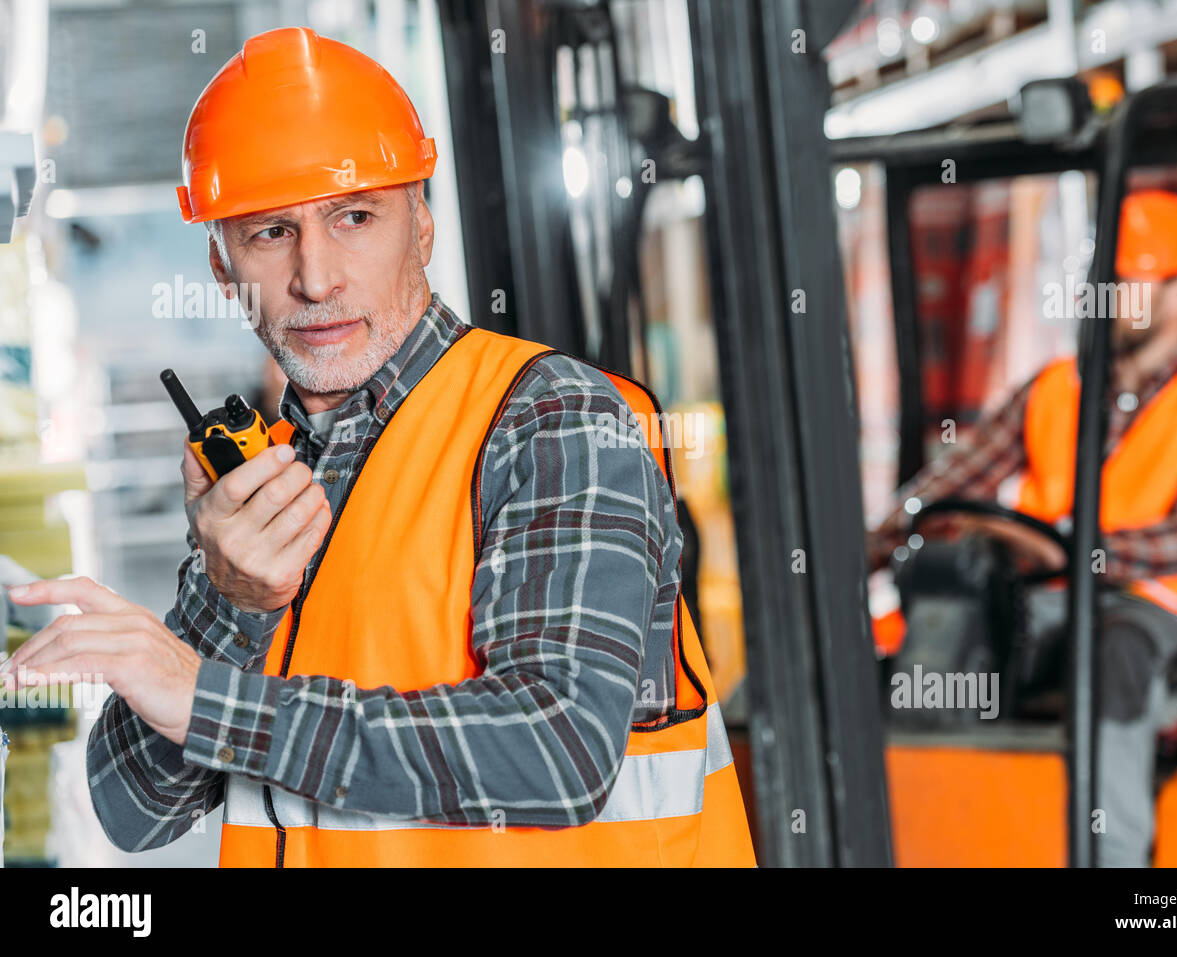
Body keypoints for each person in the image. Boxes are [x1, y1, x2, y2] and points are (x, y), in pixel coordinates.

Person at [2, 27, 754, 867]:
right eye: (270, 233)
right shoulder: (266, 475)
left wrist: (208, 698)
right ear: (222, 266)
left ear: (422, 225)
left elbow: (558, 749)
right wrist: (232, 602)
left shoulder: (552, 418)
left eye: (354, 216)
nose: (317, 278)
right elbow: (131, 811)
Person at [870, 189, 1177, 866]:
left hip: (1160, 614)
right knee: (938, 639)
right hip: (1049, 599)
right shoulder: (1055, 388)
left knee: (1113, 655)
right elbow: (957, 475)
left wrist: (1061, 550)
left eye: (1125, 281)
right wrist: (888, 530)